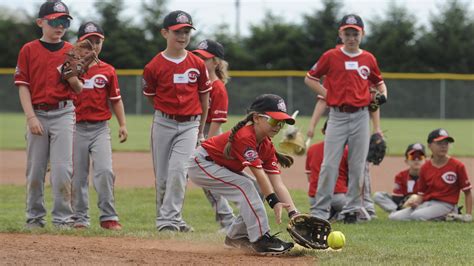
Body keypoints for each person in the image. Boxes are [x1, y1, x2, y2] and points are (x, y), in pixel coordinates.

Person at [187, 94, 296, 255]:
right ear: (257, 118)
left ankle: (236, 237)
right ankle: (261, 239)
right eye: (274, 120)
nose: (278, 126)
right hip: (202, 164)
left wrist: (294, 213)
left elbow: (277, 183)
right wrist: (274, 202)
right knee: (246, 186)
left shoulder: (266, 145)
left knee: (258, 189)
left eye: (281, 122)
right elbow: (259, 174)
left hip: (217, 165)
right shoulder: (245, 136)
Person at [304, 14, 388, 223]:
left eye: (355, 33)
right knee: (329, 164)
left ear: (362, 34)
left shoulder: (368, 58)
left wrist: (384, 94)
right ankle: (320, 210)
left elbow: (379, 82)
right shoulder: (331, 56)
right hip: (337, 116)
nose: (351, 37)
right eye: (347, 33)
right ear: (340, 34)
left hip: (361, 116)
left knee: (357, 165)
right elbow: (310, 78)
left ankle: (351, 209)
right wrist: (327, 94)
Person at [14, 0, 83, 229]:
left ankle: (62, 219)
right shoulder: (29, 50)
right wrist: (31, 117)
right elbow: (23, 85)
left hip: (64, 113)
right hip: (38, 114)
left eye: (64, 21)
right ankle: (34, 218)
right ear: (40, 22)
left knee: (63, 169)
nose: (60, 26)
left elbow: (79, 89)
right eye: (55, 21)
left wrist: (73, 77)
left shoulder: (70, 51)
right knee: (35, 170)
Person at [142, 10, 211, 232]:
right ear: (164, 33)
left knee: (179, 171)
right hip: (163, 122)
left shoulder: (197, 63)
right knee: (162, 177)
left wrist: (200, 130)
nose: (182, 36)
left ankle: (168, 221)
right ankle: (171, 219)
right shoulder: (153, 66)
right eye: (177, 31)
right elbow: (152, 97)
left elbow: (205, 100)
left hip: (190, 124)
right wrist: (167, 113)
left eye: (186, 31)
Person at [71, 22, 128, 230]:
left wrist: (122, 124)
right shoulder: (71, 68)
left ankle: (108, 217)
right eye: (88, 43)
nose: (93, 47)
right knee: (78, 174)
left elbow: (116, 99)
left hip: (100, 128)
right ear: (78, 45)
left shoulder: (108, 70)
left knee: (104, 171)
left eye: (97, 42)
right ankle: (79, 218)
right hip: (75, 127)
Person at [192, 39, 235, 232]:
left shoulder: (218, 88)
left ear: (215, 62)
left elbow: (216, 122)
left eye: (205, 58)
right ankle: (228, 221)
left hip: (209, 135)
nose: (200, 60)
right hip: (196, 130)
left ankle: (229, 221)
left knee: (209, 182)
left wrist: (205, 143)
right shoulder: (199, 82)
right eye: (198, 56)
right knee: (205, 182)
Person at [389, 129, 472, 221]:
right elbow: (421, 194)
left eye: (446, 143)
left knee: (416, 216)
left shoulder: (457, 166)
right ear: (429, 146)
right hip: (428, 203)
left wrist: (468, 214)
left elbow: (467, 192)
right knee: (394, 217)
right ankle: (448, 217)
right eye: (439, 143)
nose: (444, 146)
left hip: (447, 204)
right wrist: (415, 203)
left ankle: (452, 214)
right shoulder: (425, 167)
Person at [306, 120, 348, 220]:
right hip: (338, 198)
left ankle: (324, 212)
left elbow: (309, 177)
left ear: (323, 131)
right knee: (359, 210)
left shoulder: (312, 149)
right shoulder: (345, 149)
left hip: (314, 198)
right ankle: (338, 214)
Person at [373, 143, 426, 213]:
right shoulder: (401, 176)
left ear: (425, 160)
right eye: (412, 157)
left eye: (420, 157)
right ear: (406, 161)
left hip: (423, 204)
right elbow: (397, 198)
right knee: (378, 196)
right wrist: (407, 203)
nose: (416, 160)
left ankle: (400, 214)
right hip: (404, 204)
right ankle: (398, 213)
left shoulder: (429, 175)